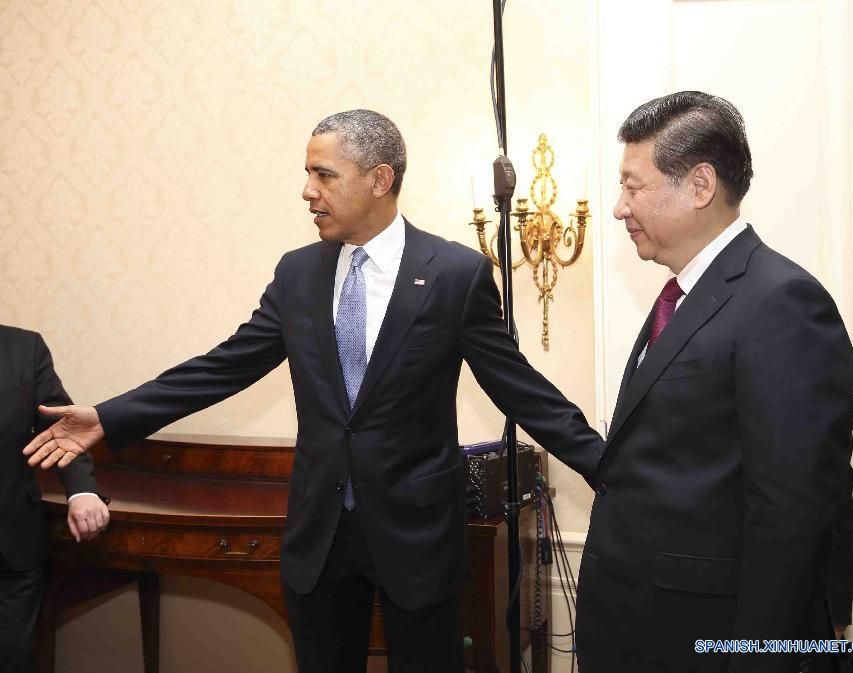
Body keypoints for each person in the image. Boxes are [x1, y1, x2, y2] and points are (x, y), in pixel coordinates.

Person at [22, 110, 606, 673]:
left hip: (417, 533)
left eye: (323, 174)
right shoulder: (297, 273)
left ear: (380, 179)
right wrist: (108, 417)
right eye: (308, 173)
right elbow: (224, 366)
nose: (307, 191)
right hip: (319, 533)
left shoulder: (455, 273)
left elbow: (518, 385)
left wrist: (605, 467)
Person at [574, 91, 853, 673]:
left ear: (700, 186)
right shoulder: (684, 294)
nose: (618, 208)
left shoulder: (780, 301)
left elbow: (791, 510)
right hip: (641, 624)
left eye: (632, 186)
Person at [1, 324, 109, 673]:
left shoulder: (24, 347)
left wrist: (82, 492)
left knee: (15, 659)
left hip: (12, 550)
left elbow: (62, 431)